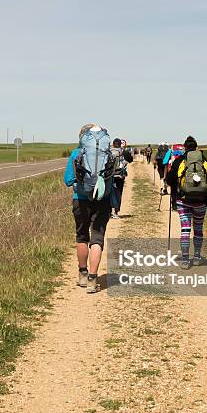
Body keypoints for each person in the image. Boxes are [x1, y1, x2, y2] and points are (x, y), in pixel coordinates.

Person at [64, 124, 114, 293]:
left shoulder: (76, 154)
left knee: (82, 236)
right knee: (97, 239)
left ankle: (83, 275)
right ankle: (93, 279)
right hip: (102, 200)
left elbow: (68, 180)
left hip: (81, 200)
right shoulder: (108, 154)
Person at [166, 136, 207, 269]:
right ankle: (197, 257)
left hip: (183, 200)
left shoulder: (181, 160)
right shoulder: (203, 161)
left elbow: (169, 180)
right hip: (201, 201)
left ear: (185, 147)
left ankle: (186, 260)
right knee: (198, 229)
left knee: (185, 230)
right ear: (196, 147)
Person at [110, 138, 133, 218]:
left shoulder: (109, 151)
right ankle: (116, 211)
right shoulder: (124, 151)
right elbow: (130, 160)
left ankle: (110, 211)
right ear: (120, 144)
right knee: (118, 193)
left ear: (113, 144)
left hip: (109, 176)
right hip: (119, 176)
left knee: (110, 192)